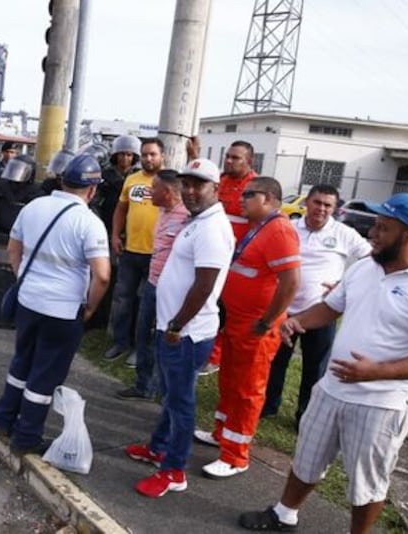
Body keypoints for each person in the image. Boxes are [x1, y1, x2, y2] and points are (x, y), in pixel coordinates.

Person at [239, 193, 408, 534]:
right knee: (308, 459)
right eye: (375, 225)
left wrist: (375, 372)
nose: (373, 233)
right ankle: (284, 514)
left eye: (383, 228)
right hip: (332, 388)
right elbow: (331, 307)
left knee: (367, 482)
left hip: (381, 404)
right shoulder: (364, 267)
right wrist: (297, 321)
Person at [124, 158, 234, 497]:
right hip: (173, 327)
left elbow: (204, 285)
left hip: (186, 332)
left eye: (198, 184)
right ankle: (158, 448)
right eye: (186, 183)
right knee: (172, 396)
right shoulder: (198, 221)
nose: (190, 191)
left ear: (216, 188)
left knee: (181, 402)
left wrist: (176, 324)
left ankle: (174, 471)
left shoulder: (212, 228)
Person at [0, 153, 111, 455]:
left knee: (21, 362)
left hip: (28, 301)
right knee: (45, 375)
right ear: (92, 189)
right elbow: (102, 276)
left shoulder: (33, 207)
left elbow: (13, 250)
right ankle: (26, 437)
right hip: (63, 311)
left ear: (62, 180)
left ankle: (3, 420)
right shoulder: (89, 222)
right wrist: (90, 308)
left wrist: (26, 280)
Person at [193, 176, 300, 479]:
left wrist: (266, 322)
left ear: (267, 198)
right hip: (237, 321)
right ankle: (222, 434)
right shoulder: (259, 227)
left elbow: (291, 283)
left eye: (248, 195)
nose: (241, 199)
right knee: (229, 380)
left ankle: (236, 455)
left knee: (247, 390)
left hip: (257, 327)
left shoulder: (279, 230)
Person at [262, 184, 371, 425]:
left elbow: (372, 260)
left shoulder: (344, 233)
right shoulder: (289, 228)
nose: (321, 209)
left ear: (335, 208)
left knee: (315, 367)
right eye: (317, 202)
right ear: (306, 203)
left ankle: (306, 415)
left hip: (320, 312)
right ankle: (268, 405)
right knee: (275, 360)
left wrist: (345, 285)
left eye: (328, 205)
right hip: (284, 309)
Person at [116, 169, 190, 400]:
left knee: (164, 339)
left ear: (167, 192)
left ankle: (161, 388)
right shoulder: (163, 210)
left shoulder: (187, 218)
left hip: (172, 290)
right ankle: (143, 385)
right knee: (143, 333)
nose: (149, 192)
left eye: (154, 188)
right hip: (152, 282)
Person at [104, 138, 164, 362]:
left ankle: (142, 348)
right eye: (145, 154)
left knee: (147, 304)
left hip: (156, 254)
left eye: (153, 154)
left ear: (162, 156)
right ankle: (121, 342)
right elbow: (121, 209)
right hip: (130, 250)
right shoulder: (132, 179)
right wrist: (115, 235)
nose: (148, 158)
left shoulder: (170, 181)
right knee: (123, 299)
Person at [204, 140, 261, 374]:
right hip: (212, 253)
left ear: (249, 161)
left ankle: (217, 356)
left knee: (227, 309)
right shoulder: (220, 181)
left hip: (238, 260)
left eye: (235, 158)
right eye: (227, 156)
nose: (229, 161)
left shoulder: (255, 188)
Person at [0, 154, 43, 240]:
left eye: (19, 170)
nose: (16, 172)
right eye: (14, 168)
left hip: (21, 237)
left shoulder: (36, 192)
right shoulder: (2, 186)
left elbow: (38, 218)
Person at [93, 135, 140, 234]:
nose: (125, 158)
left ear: (134, 157)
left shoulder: (138, 176)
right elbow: (95, 202)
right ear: (116, 155)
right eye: (121, 154)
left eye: (129, 155)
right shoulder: (105, 175)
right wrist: (98, 222)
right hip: (107, 221)